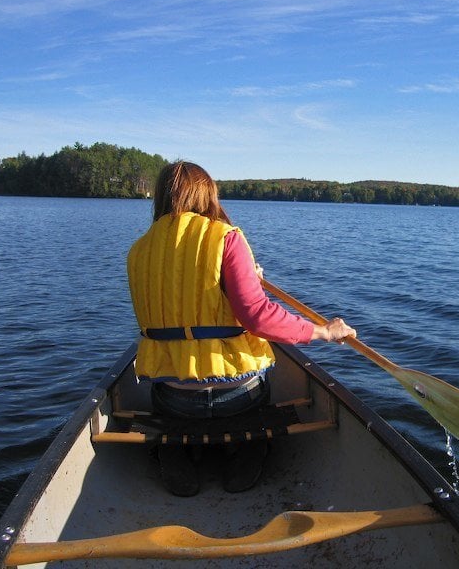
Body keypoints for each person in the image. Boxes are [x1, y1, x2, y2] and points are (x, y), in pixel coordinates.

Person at [127, 161, 356, 497]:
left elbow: (181, 295)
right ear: (208, 195)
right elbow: (257, 316)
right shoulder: (226, 239)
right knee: (260, 383)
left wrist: (248, 277)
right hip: (237, 396)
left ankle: (174, 452)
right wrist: (323, 331)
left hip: (175, 398)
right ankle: (247, 453)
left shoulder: (138, 251)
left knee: (166, 396)